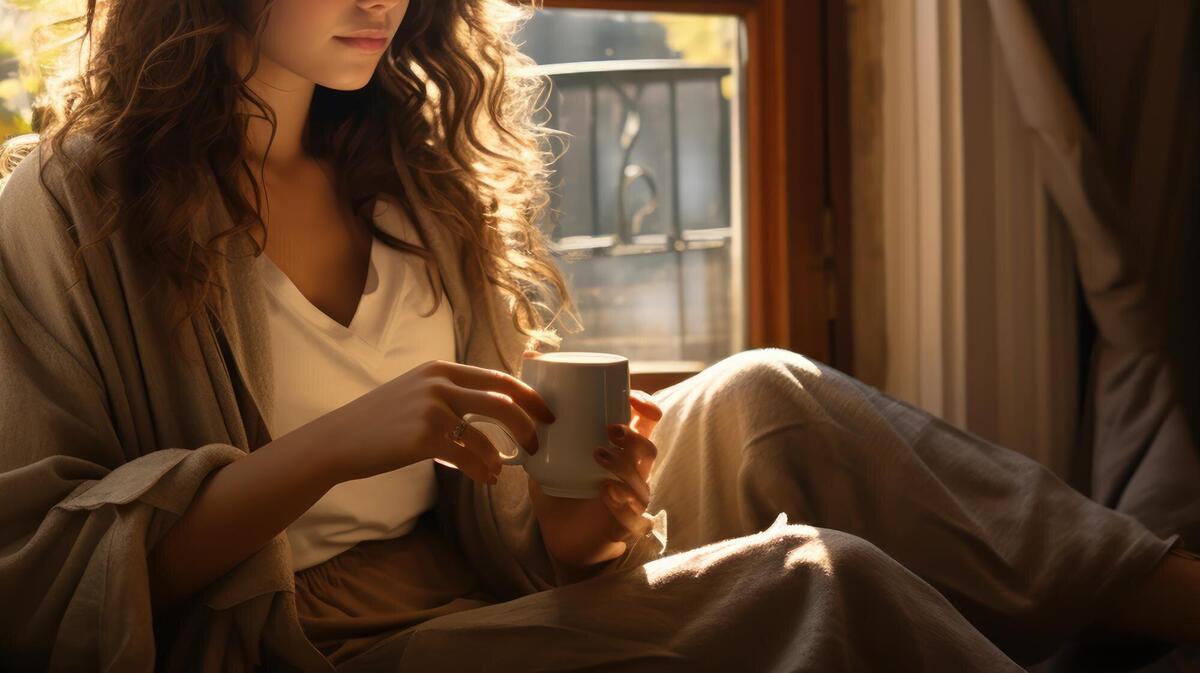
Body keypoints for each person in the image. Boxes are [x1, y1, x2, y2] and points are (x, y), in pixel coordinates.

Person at [0, 0, 1197, 671]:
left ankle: (1164, 595)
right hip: (309, 638)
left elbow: (517, 528)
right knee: (812, 587)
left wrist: (579, 535)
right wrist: (330, 446)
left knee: (765, 394)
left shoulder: (412, 177)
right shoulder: (69, 212)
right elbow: (48, 583)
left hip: (470, 577)